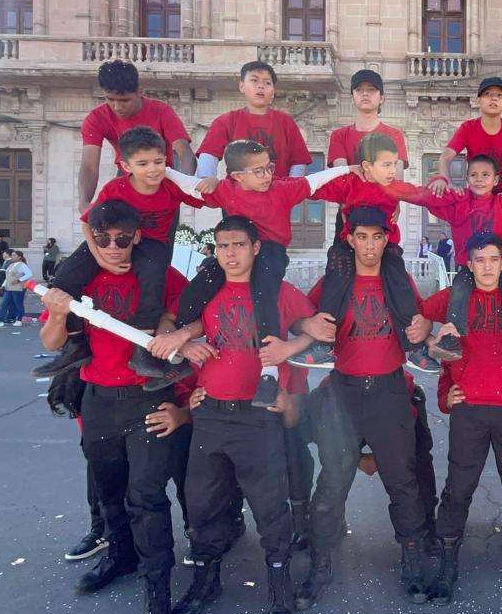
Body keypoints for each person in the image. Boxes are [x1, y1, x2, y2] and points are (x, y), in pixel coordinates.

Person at [148, 217, 312, 614]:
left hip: (258, 416)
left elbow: (319, 333)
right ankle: (206, 581)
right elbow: (177, 324)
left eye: (238, 245)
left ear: (255, 248)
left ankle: (279, 583)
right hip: (211, 414)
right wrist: (185, 340)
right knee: (203, 504)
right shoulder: (207, 291)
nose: (230, 254)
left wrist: (291, 360)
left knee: (270, 506)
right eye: (223, 246)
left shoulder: (279, 292)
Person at [38, 200, 179, 614]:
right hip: (99, 399)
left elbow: (188, 316)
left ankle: (159, 591)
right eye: (103, 239)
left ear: (137, 236)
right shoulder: (81, 278)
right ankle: (120, 556)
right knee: (109, 490)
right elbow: (50, 342)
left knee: (147, 497)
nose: (114, 247)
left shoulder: (161, 274)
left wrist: (168, 323)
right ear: (92, 239)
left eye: (122, 238)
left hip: (148, 398)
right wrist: (58, 312)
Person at [295, 208, 435, 611]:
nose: (370, 245)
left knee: (402, 482)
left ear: (387, 239)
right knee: (332, 483)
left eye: (377, 237)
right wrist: (306, 326)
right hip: (344, 391)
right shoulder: (335, 280)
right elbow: (297, 316)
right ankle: (320, 566)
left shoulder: (398, 280)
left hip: (389, 390)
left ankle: (412, 562)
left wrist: (425, 326)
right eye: (362, 237)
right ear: (350, 239)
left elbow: (423, 319)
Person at [418, 232, 502, 604]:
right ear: (469, 264)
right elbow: (413, 320)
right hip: (470, 410)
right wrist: (442, 379)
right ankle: (447, 566)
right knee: (458, 489)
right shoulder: (453, 299)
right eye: (480, 260)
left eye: (494, 259)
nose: (488, 267)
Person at [173, 139, 353, 405]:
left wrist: (348, 169)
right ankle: (172, 344)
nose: (268, 175)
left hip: (270, 250)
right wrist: (160, 170)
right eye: (259, 171)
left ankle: (268, 374)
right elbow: (190, 185)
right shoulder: (226, 189)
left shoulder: (281, 188)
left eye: (269, 167)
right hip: (239, 248)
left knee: (263, 294)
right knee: (201, 284)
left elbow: (314, 181)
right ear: (237, 176)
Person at [39, 126, 204, 379]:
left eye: (158, 162)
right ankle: (75, 343)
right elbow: (87, 223)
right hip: (114, 240)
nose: (153, 169)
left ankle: (143, 348)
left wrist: (210, 183)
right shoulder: (115, 188)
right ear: (126, 166)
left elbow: (206, 196)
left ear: (166, 161)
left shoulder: (172, 186)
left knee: (153, 281)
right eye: (143, 164)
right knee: (64, 277)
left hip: (152, 245)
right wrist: (99, 257)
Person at [394, 153, 502, 367]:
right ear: (467, 178)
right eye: (474, 175)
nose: (479, 179)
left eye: (485, 175)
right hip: (468, 268)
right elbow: (424, 197)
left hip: (500, 269)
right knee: (458, 294)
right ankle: (451, 339)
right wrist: (425, 182)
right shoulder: (459, 203)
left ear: (495, 180)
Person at [310, 133, 431, 371]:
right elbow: (310, 188)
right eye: (386, 165)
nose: (393, 171)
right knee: (335, 284)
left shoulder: (394, 188)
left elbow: (425, 196)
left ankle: (414, 347)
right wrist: (344, 170)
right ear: (366, 166)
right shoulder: (348, 184)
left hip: (387, 246)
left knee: (400, 287)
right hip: (347, 246)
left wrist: (447, 189)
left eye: (394, 164)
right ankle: (323, 345)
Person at [433, 76, 502, 267]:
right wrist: (445, 180)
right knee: (472, 244)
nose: (493, 98)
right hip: (477, 196)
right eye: (488, 94)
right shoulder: (468, 128)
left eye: (499, 95)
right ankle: (468, 279)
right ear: (478, 100)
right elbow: (445, 157)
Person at [79, 59, 194, 210]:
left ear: (140, 91)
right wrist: (84, 202)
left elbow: (185, 153)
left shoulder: (162, 111)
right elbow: (89, 166)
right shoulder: (96, 118)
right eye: (110, 99)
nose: (117, 107)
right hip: (127, 177)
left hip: (161, 179)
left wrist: (183, 187)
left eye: (125, 100)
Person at [196, 61, 312, 180]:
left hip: (278, 189)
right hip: (237, 190)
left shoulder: (286, 122)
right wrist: (206, 179)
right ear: (242, 86)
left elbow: (298, 162)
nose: (261, 86)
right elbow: (209, 154)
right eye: (254, 80)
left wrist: (292, 186)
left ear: (273, 91)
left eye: (267, 83)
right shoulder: (226, 121)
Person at [0, 250, 32, 327]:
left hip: (18, 288)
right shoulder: (11, 265)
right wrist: (3, 285)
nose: (12, 257)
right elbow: (8, 277)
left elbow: (29, 274)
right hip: (8, 288)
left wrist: (19, 280)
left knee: (18, 304)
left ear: (19, 257)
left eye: (14, 255)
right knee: (4, 304)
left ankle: (19, 320)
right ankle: (0, 320)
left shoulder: (22, 265)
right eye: (12, 255)